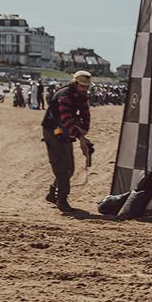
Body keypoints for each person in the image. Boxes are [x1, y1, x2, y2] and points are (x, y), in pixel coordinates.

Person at [41, 71, 93, 213]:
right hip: (53, 131)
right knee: (63, 166)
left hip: (65, 131)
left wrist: (84, 130)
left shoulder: (82, 95)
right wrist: (80, 137)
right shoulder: (63, 95)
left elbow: (85, 113)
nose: (85, 89)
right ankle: (62, 200)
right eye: (83, 86)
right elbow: (66, 119)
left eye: (87, 87)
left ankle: (53, 192)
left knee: (70, 167)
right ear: (75, 83)